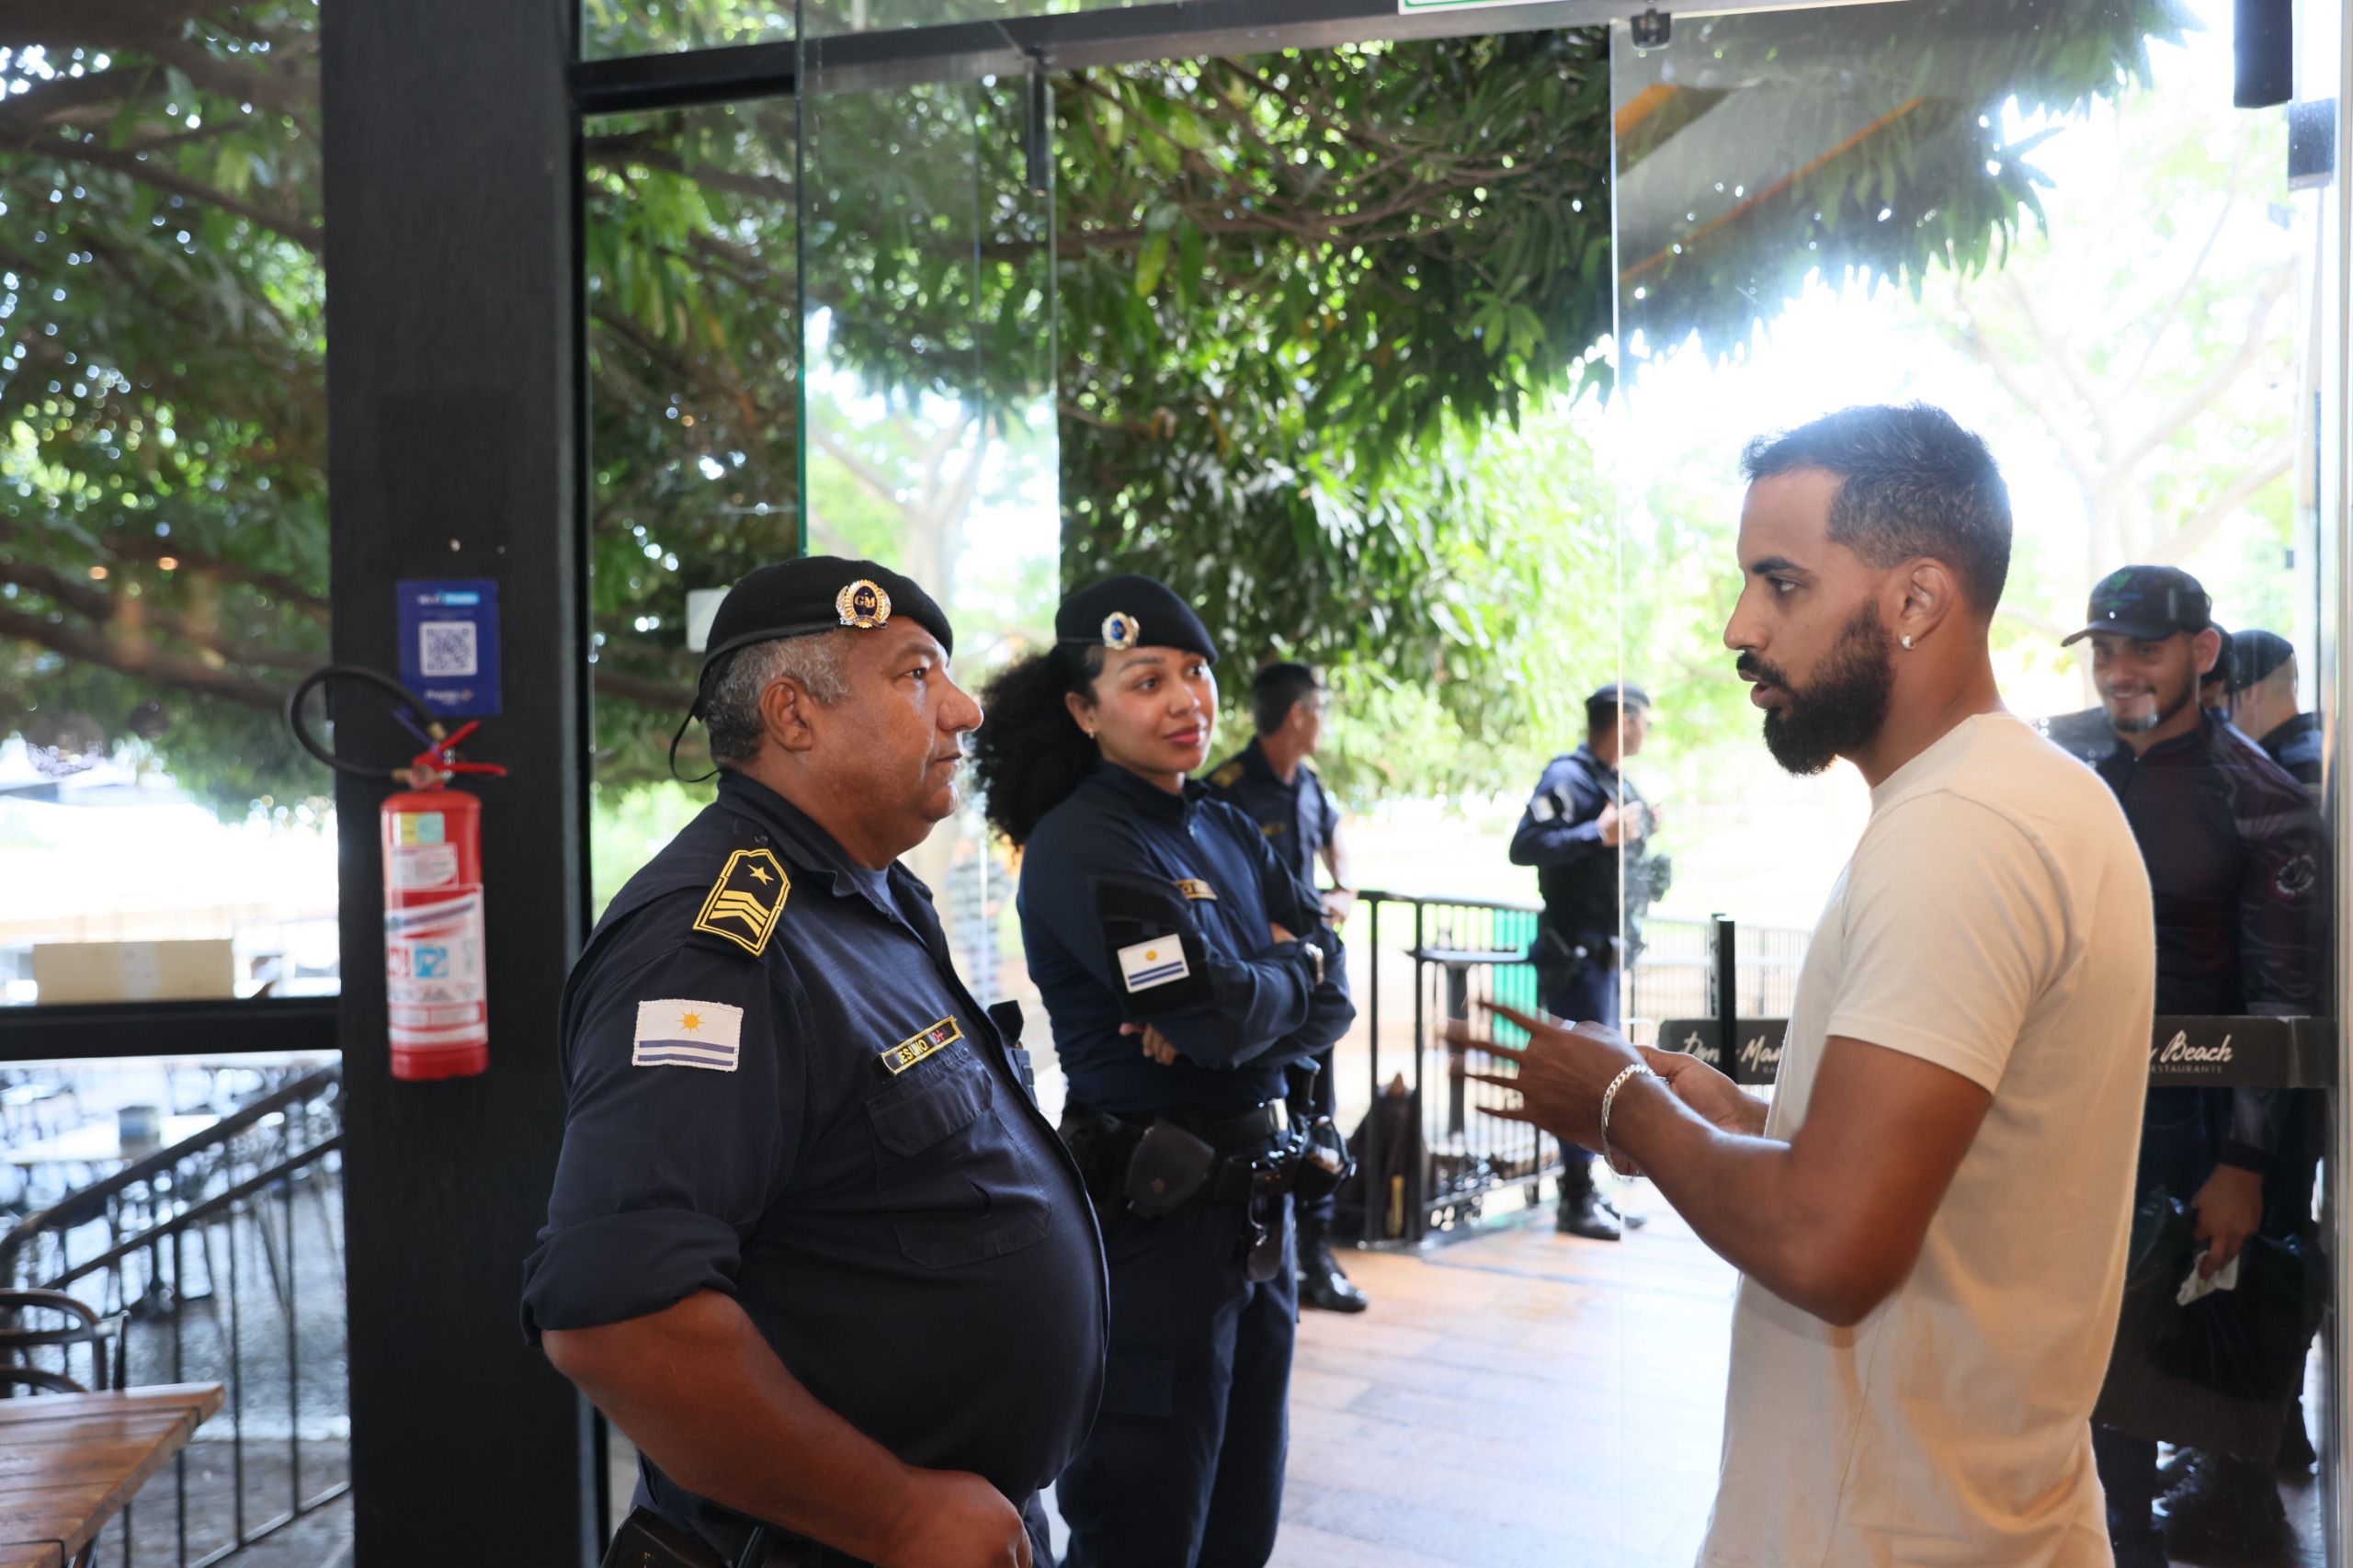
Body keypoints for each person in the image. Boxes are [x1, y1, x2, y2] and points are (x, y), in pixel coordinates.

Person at [1452, 404, 2155, 1567]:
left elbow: (1834, 1242)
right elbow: (1943, 1175)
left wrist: (1621, 1109)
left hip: (1886, 1525)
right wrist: (1716, 1114)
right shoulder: (2037, 794)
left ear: (1915, 600)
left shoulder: (1959, 830)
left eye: (1780, 584)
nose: (1739, 626)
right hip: (1976, 1502)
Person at [522, 558, 1104, 1568]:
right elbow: (619, 1313)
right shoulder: (712, 943)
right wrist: (895, 1514)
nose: (964, 709)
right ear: (793, 714)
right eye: (917, 674)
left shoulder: (862, 896)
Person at [970, 574, 1356, 1568]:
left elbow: (1327, 993)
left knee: (1241, 1521)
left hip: (1258, 1215)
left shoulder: (1222, 825)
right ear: (1082, 707)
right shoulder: (1081, 842)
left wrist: (1271, 979)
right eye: (1146, 680)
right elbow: (1217, 1011)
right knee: (1144, 1524)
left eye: (1194, 672)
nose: (1186, 699)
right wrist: (1275, 980)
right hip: (1157, 1224)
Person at [2066, 568, 2325, 1565]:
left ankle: (2172, 1525)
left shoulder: (2253, 793)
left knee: (2165, 1346)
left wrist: (2245, 1164)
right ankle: (2112, 1536)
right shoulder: (2075, 767)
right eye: (2104, 649)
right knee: (2091, 1349)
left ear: (2201, 653)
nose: (2119, 669)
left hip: (2192, 1123)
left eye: (2144, 647)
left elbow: (2278, 999)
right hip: (2081, 1108)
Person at [1203, 662, 1365, 1312]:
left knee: (1319, 1115)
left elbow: (1333, 837)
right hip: (1261, 990)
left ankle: (1315, 1257)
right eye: (1320, 708)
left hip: (1313, 978)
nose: (1324, 720)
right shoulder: (1227, 790)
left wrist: (1344, 888)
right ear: (1297, 714)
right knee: (1273, 1120)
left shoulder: (1310, 786)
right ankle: (1267, 1254)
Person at [1506, 682, 1667, 1241]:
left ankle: (1591, 1190)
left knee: (1609, 1072)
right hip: (1574, 958)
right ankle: (1574, 1198)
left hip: (1608, 954)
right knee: (1583, 1074)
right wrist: (1595, 834)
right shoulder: (1568, 779)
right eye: (1644, 719)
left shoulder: (1618, 783)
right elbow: (1525, 846)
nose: (1648, 729)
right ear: (1621, 721)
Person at [2229, 627, 2323, 787]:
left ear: (2250, 694)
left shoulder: (2284, 773)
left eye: (2216, 698)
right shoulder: (2324, 744)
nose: (2211, 712)